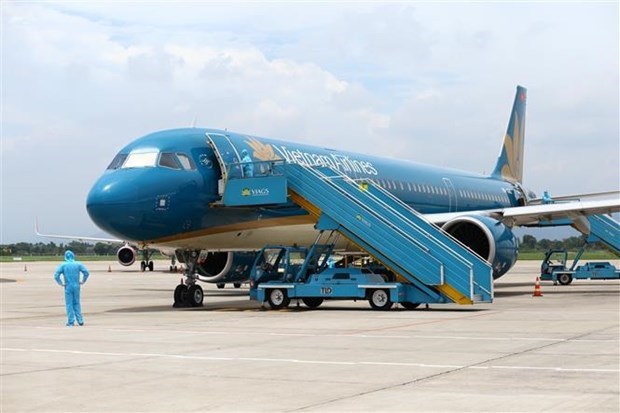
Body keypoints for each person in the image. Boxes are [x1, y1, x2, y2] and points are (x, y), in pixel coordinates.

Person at [54, 250, 90, 326]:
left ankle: (71, 321)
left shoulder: (63, 265)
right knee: (77, 302)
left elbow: (56, 275)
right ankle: (80, 320)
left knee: (69, 304)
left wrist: (61, 283)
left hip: (68, 285)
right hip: (76, 285)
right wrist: (83, 280)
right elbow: (86, 272)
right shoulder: (78, 264)